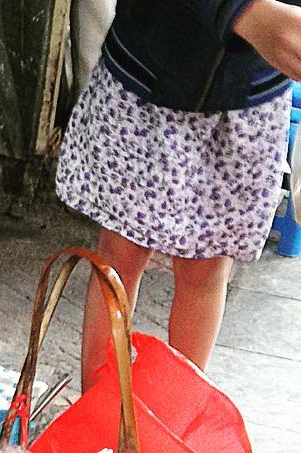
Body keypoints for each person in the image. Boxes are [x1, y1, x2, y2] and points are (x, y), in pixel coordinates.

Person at [56, 0, 301, 388]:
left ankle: (178, 413)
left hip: (247, 98)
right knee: (120, 256)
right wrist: (240, 10)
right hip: (147, 79)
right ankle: (97, 412)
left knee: (206, 267)